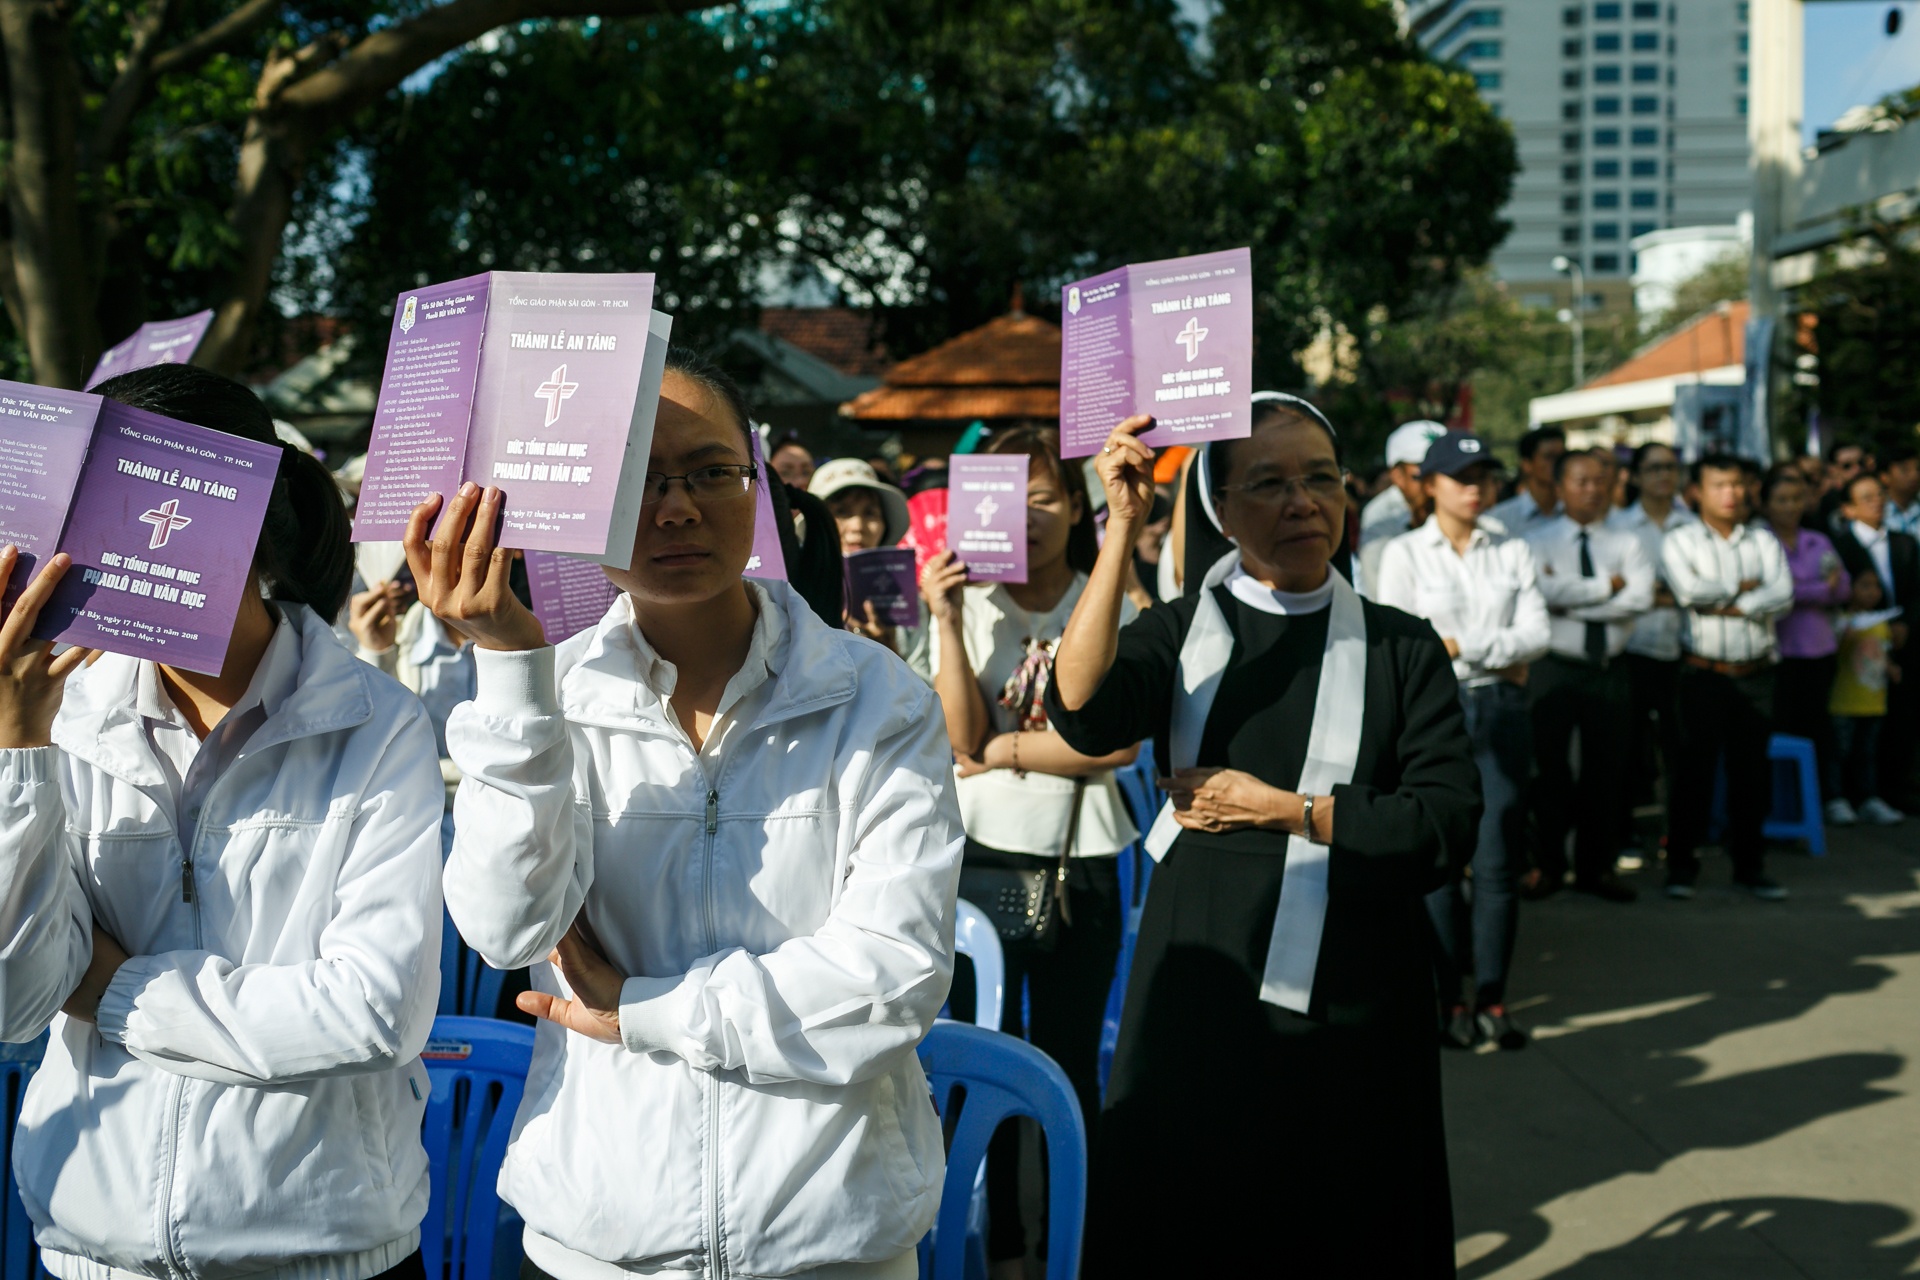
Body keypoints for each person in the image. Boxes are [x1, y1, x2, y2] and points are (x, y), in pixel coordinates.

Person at [416, 348, 961, 1280]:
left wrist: (643, 1008)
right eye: (637, 480)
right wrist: (512, 669)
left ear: (757, 481)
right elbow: (506, 930)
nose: (675, 507)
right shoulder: (552, 698)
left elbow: (894, 976)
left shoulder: (875, 700)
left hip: (833, 1237)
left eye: (710, 471)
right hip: (603, 1238)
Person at [0, 365, 445, 1280]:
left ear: (241, 516)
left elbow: (372, 1012)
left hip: (324, 1245)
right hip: (96, 1246)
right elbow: (15, 1002)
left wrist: (116, 990)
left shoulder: (374, 721)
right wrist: (17, 751)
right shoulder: (59, 718)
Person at [1049, 398, 1481, 1276]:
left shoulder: (1402, 649)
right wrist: (1120, 528)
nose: (1302, 502)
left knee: (1348, 1218)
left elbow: (1447, 823)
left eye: (1321, 478)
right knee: (1194, 1216)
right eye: (1270, 483)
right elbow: (1085, 713)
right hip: (1204, 974)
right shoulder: (1181, 634)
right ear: (1219, 506)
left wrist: (1288, 809)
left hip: (1357, 990)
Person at [919, 424, 1138, 1278]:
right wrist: (942, 620)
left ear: (1078, 507)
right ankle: (1003, 1250)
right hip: (981, 857)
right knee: (986, 1057)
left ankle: (1070, 1247)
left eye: (1045, 496)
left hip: (1084, 856)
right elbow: (955, 734)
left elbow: (1114, 741)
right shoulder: (970, 604)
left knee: (1073, 1059)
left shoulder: (1106, 593)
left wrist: (1009, 752)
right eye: (1010, 498)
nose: (1028, 516)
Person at [1374, 432, 1548, 1051]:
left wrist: (1461, 646)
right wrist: (1493, 652)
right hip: (1434, 713)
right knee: (1440, 861)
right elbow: (1405, 643)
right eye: (1460, 476)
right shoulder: (1402, 554)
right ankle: (1448, 1001)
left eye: (1484, 476)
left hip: (1502, 709)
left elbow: (1537, 634)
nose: (1475, 487)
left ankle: (1493, 1000)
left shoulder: (1513, 548)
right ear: (1430, 484)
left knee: (1499, 860)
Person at [1522, 449, 1655, 902]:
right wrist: (1604, 588)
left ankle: (1597, 868)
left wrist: (1570, 601)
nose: (1593, 490)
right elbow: (1539, 595)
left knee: (1608, 770)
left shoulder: (1627, 543)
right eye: (1581, 481)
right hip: (1553, 666)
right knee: (1548, 770)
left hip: (1609, 669)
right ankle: (1548, 865)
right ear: (1559, 487)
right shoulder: (1536, 541)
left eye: (1601, 481)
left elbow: (1638, 600)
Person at [1662, 452, 1796, 900]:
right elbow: (1688, 591)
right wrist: (1745, 589)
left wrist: (1731, 600)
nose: (1731, 494)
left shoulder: (1762, 539)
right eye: (1719, 484)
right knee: (1692, 774)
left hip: (1756, 671)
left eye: (1738, 484)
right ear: (1697, 491)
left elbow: (1784, 594)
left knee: (1752, 776)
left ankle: (1750, 867)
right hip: (1703, 672)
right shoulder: (1680, 539)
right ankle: (1681, 868)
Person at [1608, 442, 1696, 859]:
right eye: (1655, 467)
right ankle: (1623, 832)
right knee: (1627, 748)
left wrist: (1663, 593)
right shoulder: (1619, 527)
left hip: (1683, 650)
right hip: (1632, 648)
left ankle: (1681, 840)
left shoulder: (1693, 525)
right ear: (1636, 475)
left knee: (1681, 750)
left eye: (1671, 467)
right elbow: (1621, 590)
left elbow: (1701, 590)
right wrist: (1669, 594)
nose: (1664, 475)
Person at [1758, 465, 1859, 824]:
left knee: (1819, 727)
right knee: (1780, 727)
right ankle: (1779, 804)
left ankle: (1825, 797)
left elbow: (1844, 587)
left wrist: (1814, 590)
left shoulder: (1818, 540)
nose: (1790, 507)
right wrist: (1819, 589)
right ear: (1766, 504)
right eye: (1782, 500)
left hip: (1818, 648)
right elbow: (1779, 593)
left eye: (1797, 499)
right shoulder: (1760, 542)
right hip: (1779, 651)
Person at [1830, 472, 1920, 812]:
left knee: (1898, 721)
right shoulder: (1839, 546)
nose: (1877, 502)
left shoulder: (1904, 542)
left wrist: (1906, 625)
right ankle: (1846, 794)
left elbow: (1915, 593)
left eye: (1880, 495)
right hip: (1853, 651)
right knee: (1848, 734)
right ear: (1849, 509)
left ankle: (1889, 790)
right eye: (1866, 497)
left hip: (1901, 642)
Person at [809, 456, 913, 650]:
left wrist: (890, 655)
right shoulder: (791, 595)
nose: (858, 527)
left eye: (870, 513)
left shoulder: (905, 597)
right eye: (842, 512)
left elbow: (924, 675)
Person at [1829, 572, 1903, 821]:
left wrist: (1892, 667)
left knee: (1867, 753)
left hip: (1874, 702)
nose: (1872, 592)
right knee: (1840, 751)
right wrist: (1845, 638)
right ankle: (1836, 798)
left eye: (1876, 587)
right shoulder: (1841, 620)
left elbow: (1882, 653)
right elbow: (1834, 653)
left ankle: (1867, 798)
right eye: (1864, 586)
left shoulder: (1882, 623)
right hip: (1845, 701)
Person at [1357, 419, 1447, 549]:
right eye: (1424, 470)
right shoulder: (1381, 515)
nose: (1435, 480)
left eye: (1445, 468)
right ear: (1398, 476)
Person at [1489, 426, 1566, 536]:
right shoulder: (1500, 520)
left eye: (1561, 457)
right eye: (1548, 457)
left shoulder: (1577, 513)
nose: (1557, 463)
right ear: (1526, 464)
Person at [1883, 442, 1920, 538]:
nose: (1914, 475)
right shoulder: (1878, 512)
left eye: (1918, 469)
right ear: (1884, 476)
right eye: (1905, 470)